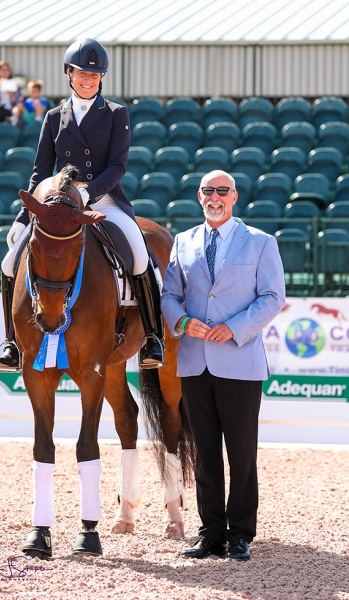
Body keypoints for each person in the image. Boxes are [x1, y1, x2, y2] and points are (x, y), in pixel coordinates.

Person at [0, 38, 164, 372]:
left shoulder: (116, 114)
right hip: (59, 202)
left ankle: (151, 337)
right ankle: (11, 342)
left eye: (96, 74)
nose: (89, 79)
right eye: (83, 73)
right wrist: (24, 215)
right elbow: (41, 171)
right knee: (10, 262)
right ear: (69, 73)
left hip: (105, 199)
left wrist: (88, 195)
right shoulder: (54, 116)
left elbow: (118, 166)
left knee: (141, 255)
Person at [161, 170, 285, 561]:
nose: (214, 197)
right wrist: (181, 321)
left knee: (242, 453)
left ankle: (241, 534)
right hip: (195, 363)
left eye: (222, 191)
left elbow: (272, 297)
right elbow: (169, 295)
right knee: (204, 453)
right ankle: (211, 533)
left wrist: (233, 328)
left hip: (240, 360)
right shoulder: (183, 241)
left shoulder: (262, 243)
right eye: (208, 191)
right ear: (199, 197)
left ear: (234, 196)